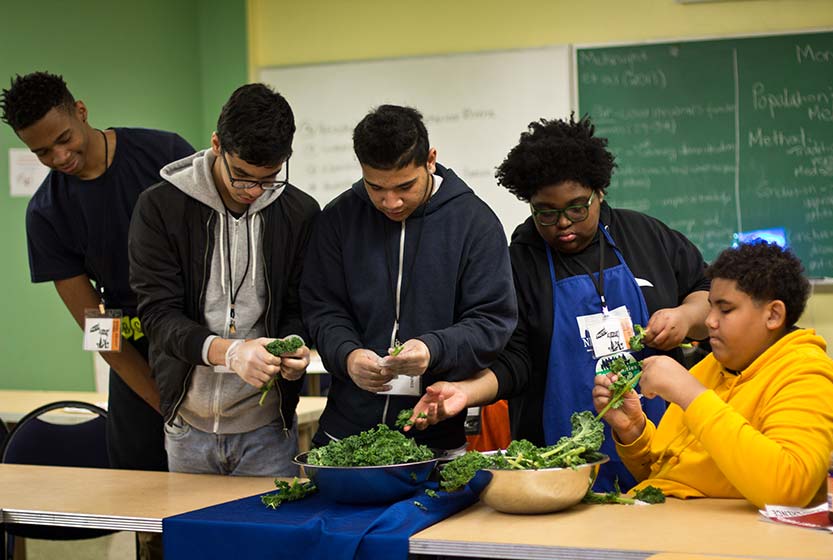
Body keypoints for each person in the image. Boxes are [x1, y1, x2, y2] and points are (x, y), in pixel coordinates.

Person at [407, 115, 710, 491]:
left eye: (576, 208)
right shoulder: (518, 262)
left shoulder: (646, 237)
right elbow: (514, 363)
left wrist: (686, 316)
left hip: (666, 450)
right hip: (556, 466)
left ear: (600, 192)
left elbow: (706, 295)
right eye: (545, 213)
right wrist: (465, 392)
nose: (563, 224)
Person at [1, 71, 194, 471]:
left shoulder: (166, 153)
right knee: (144, 495)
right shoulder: (46, 213)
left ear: (82, 112)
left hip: (202, 335)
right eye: (41, 152)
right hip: (136, 360)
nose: (58, 158)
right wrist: (162, 403)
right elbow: (97, 327)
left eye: (63, 139)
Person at [300, 104, 517, 453]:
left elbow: (492, 321)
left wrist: (434, 349)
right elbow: (322, 307)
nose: (391, 202)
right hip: (345, 436)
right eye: (376, 188)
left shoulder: (474, 223)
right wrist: (347, 355)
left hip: (436, 441)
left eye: (405, 186)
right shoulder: (339, 218)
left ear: (430, 159)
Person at [128, 83, 319, 477]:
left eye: (268, 178)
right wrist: (228, 353)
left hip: (266, 429)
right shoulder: (160, 207)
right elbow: (158, 316)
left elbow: (301, 307)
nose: (253, 190)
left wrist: (296, 346)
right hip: (188, 427)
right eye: (242, 176)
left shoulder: (299, 212)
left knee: (269, 539)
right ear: (217, 144)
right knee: (194, 539)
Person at [593, 241, 833, 507]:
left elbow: (790, 488)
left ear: (773, 315)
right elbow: (668, 476)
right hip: (668, 524)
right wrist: (633, 430)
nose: (710, 320)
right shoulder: (711, 366)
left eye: (726, 309)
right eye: (711, 307)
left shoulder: (808, 376)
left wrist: (691, 394)